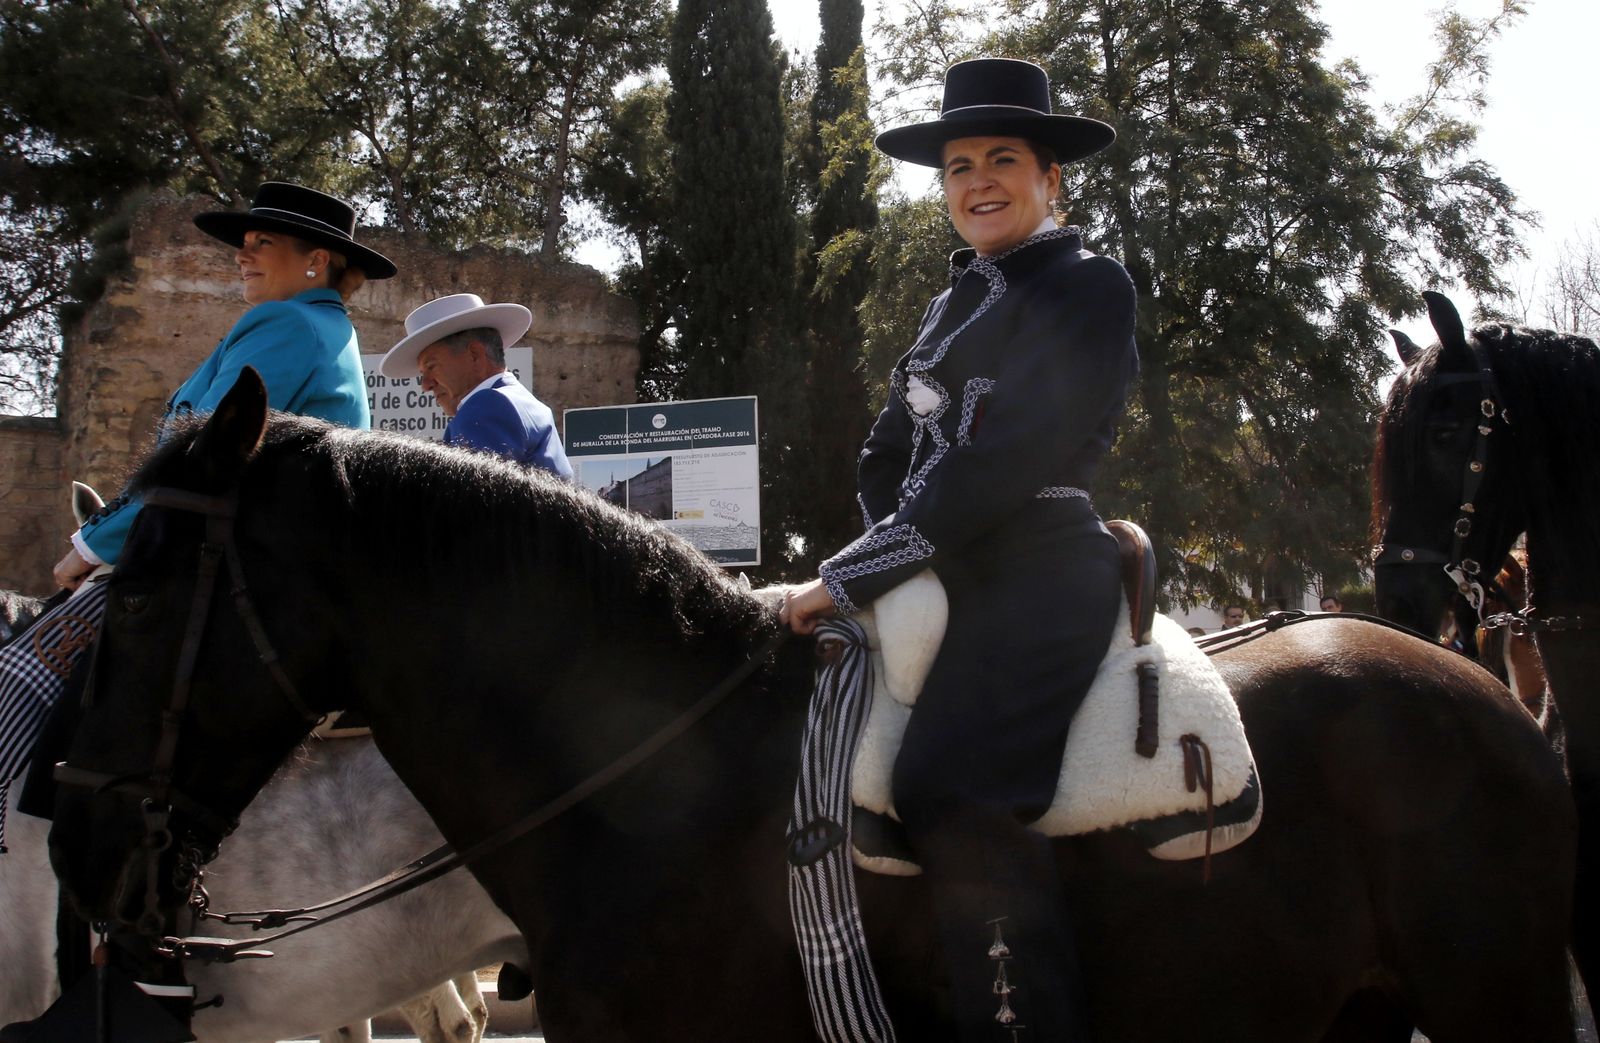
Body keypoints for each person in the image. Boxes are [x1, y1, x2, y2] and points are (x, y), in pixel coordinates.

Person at [779, 58, 1135, 1040]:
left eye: (1002, 159)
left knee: (951, 785)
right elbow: (884, 453)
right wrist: (899, 548)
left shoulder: (1088, 287)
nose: (975, 180)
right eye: (957, 165)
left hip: (1037, 569)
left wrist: (855, 571)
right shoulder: (947, 308)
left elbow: (1003, 459)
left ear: (1051, 177)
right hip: (943, 566)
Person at [0, 181, 394, 1043]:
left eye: (262, 242)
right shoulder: (309, 327)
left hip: (228, 567)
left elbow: (196, 467)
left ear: (316, 260)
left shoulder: (289, 328)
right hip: (232, 557)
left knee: (27, 683)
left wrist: (94, 546)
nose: (243, 254)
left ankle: (120, 941)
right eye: (243, 240)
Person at [378, 293, 572, 478]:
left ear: (475, 355)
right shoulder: (518, 401)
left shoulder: (488, 406)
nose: (425, 385)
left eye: (431, 366)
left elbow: (471, 507)